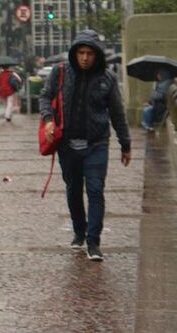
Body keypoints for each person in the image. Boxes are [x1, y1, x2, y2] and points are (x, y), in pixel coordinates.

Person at [40, 29, 131, 262]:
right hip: (67, 144)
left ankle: (93, 241)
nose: (84, 58)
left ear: (97, 55)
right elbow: (45, 96)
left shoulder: (107, 78)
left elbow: (117, 113)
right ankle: (79, 232)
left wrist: (125, 144)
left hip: (97, 143)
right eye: (80, 52)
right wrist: (49, 120)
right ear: (74, 53)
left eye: (90, 53)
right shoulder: (60, 72)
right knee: (73, 189)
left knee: (95, 189)